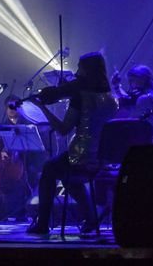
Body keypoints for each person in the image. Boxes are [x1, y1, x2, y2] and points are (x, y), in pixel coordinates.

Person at [26, 52, 118, 235]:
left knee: (49, 169)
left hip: (82, 154)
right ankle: (91, 219)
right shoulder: (111, 98)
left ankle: (42, 224)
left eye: (79, 69)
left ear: (87, 71)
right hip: (102, 158)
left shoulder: (80, 97)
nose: (76, 73)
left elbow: (62, 129)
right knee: (66, 175)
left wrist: (42, 108)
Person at [111, 65, 153, 143]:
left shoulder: (145, 98)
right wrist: (116, 87)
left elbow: (130, 120)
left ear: (140, 79)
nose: (130, 85)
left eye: (131, 80)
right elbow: (128, 100)